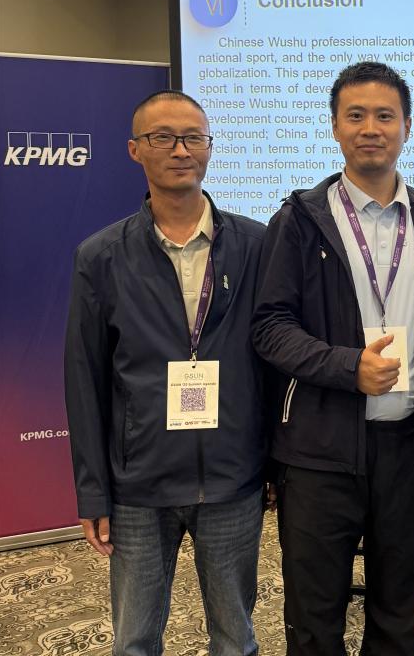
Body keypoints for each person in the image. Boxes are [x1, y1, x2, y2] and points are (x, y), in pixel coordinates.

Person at [251, 61, 414, 656]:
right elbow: (269, 327)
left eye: (385, 116)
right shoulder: (299, 219)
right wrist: (348, 368)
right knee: (315, 619)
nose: (371, 128)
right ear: (335, 127)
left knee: (400, 612)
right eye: (356, 115)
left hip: (408, 451)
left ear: (407, 127)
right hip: (319, 454)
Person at [64, 90, 267, 656]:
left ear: (209, 148)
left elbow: (272, 362)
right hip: (139, 485)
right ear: (135, 150)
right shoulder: (101, 256)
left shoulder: (255, 245)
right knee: (134, 639)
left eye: (193, 137)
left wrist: (273, 464)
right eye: (163, 138)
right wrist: (92, 490)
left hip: (232, 477)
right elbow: (84, 380)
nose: (181, 150)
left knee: (236, 637)